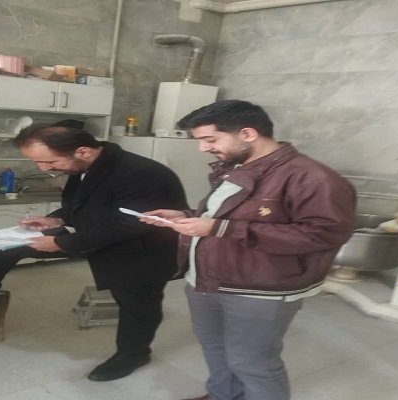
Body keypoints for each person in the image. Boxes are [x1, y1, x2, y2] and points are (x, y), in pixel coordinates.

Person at [0, 123, 188, 382]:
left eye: (50, 162)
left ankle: (134, 354)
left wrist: (62, 243)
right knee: (4, 246)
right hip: (95, 234)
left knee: (136, 302)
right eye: (38, 162)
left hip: (141, 249)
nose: (43, 168)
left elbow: (129, 224)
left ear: (83, 151)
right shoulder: (83, 166)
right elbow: (83, 205)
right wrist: (55, 220)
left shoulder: (142, 173)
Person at [139, 100, 356, 400]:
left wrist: (218, 228)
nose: (203, 148)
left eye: (210, 139)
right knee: (215, 348)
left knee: (253, 363)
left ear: (248, 133)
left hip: (260, 290)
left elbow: (325, 234)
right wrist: (187, 216)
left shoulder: (313, 178)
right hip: (207, 279)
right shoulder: (238, 167)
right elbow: (229, 215)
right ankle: (223, 395)